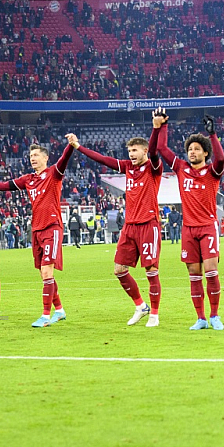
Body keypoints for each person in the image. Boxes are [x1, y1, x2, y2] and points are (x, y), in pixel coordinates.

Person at [0, 139, 75, 328]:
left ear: (45, 157)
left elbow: (64, 160)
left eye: (36, 155)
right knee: (45, 274)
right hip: (36, 229)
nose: (32, 158)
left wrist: (70, 146)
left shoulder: (54, 173)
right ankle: (59, 310)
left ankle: (45, 315)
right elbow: (2, 186)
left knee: (46, 271)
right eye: (30, 156)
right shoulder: (28, 179)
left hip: (52, 227)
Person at [69, 131, 163, 327]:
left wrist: (156, 128)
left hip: (148, 224)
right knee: (119, 270)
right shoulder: (128, 167)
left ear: (145, 150)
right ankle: (141, 306)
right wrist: (78, 146)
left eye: (135, 150)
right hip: (129, 226)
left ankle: (154, 313)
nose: (131, 154)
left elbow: (155, 151)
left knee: (151, 270)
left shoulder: (154, 167)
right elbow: (103, 159)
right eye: (129, 150)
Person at [153, 108, 224, 330]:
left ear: (205, 153)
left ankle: (215, 315)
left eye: (196, 149)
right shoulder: (181, 168)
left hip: (207, 227)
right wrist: (163, 125)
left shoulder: (213, 171)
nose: (192, 152)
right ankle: (201, 318)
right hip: (188, 229)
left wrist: (212, 135)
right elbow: (161, 148)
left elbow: (221, 158)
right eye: (190, 149)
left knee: (211, 271)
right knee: (194, 274)